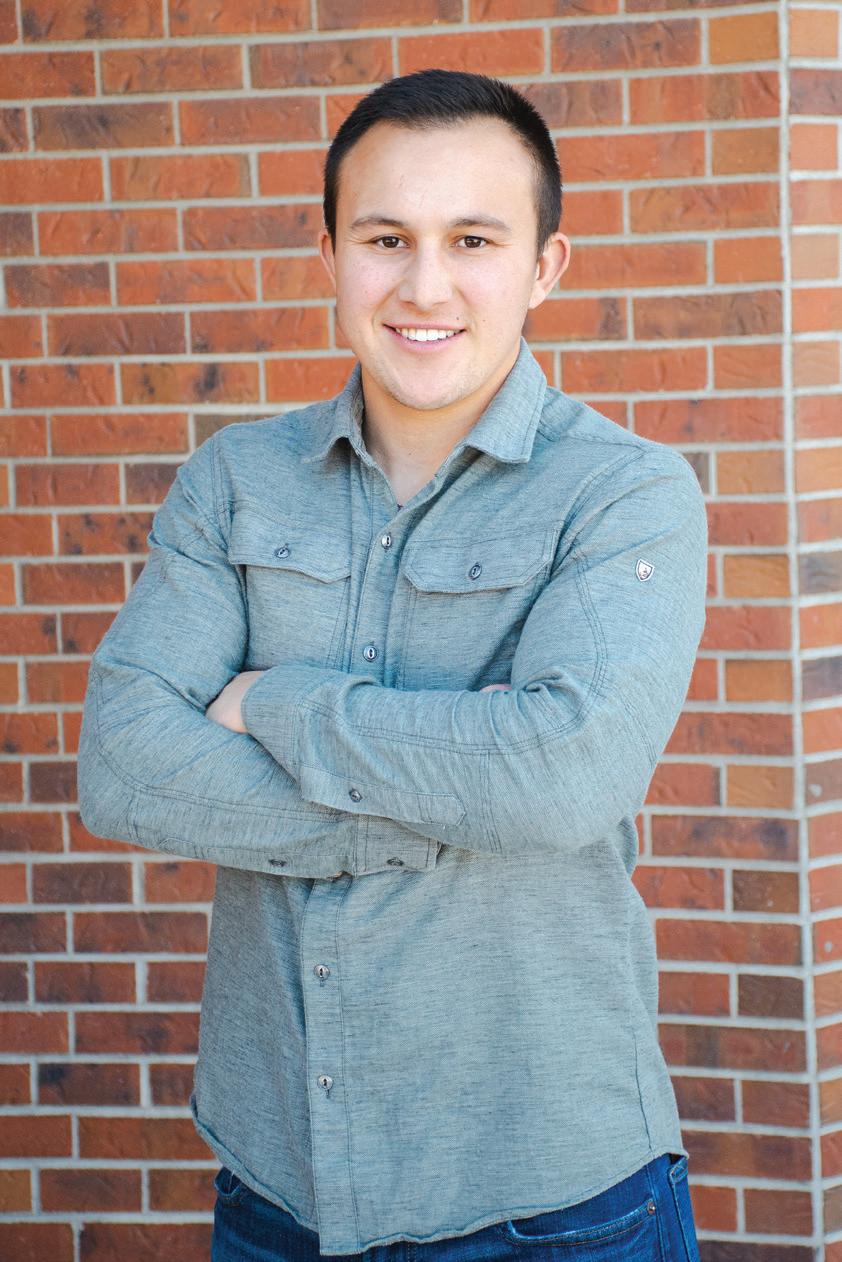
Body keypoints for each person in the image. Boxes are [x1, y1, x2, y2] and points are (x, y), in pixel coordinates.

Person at [77, 68, 707, 1262]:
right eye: (384, 239)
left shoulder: (623, 495)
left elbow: (562, 778)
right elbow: (121, 765)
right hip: (281, 1193)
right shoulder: (234, 482)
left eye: (472, 239)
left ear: (544, 266)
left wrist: (275, 702)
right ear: (328, 256)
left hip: (551, 1203)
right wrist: (461, 793)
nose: (423, 286)